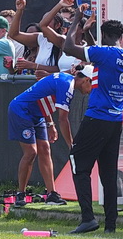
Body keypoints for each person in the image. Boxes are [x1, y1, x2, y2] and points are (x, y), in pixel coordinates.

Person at [63, 6, 123, 234]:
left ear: (105, 37)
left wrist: (76, 21)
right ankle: (110, 225)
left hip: (97, 117)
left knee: (78, 162)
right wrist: (90, 33)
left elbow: (68, 47)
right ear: (121, 37)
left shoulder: (106, 54)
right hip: (115, 120)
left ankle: (88, 218)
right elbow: (99, 55)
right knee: (108, 172)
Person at [8, 65, 94, 206]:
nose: (92, 91)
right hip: (21, 110)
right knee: (31, 152)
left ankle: (52, 194)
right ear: (86, 80)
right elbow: (63, 119)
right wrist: (71, 145)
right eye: (93, 85)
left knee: (45, 149)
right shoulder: (67, 84)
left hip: (37, 113)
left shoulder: (66, 80)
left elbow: (44, 97)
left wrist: (50, 124)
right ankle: (20, 195)